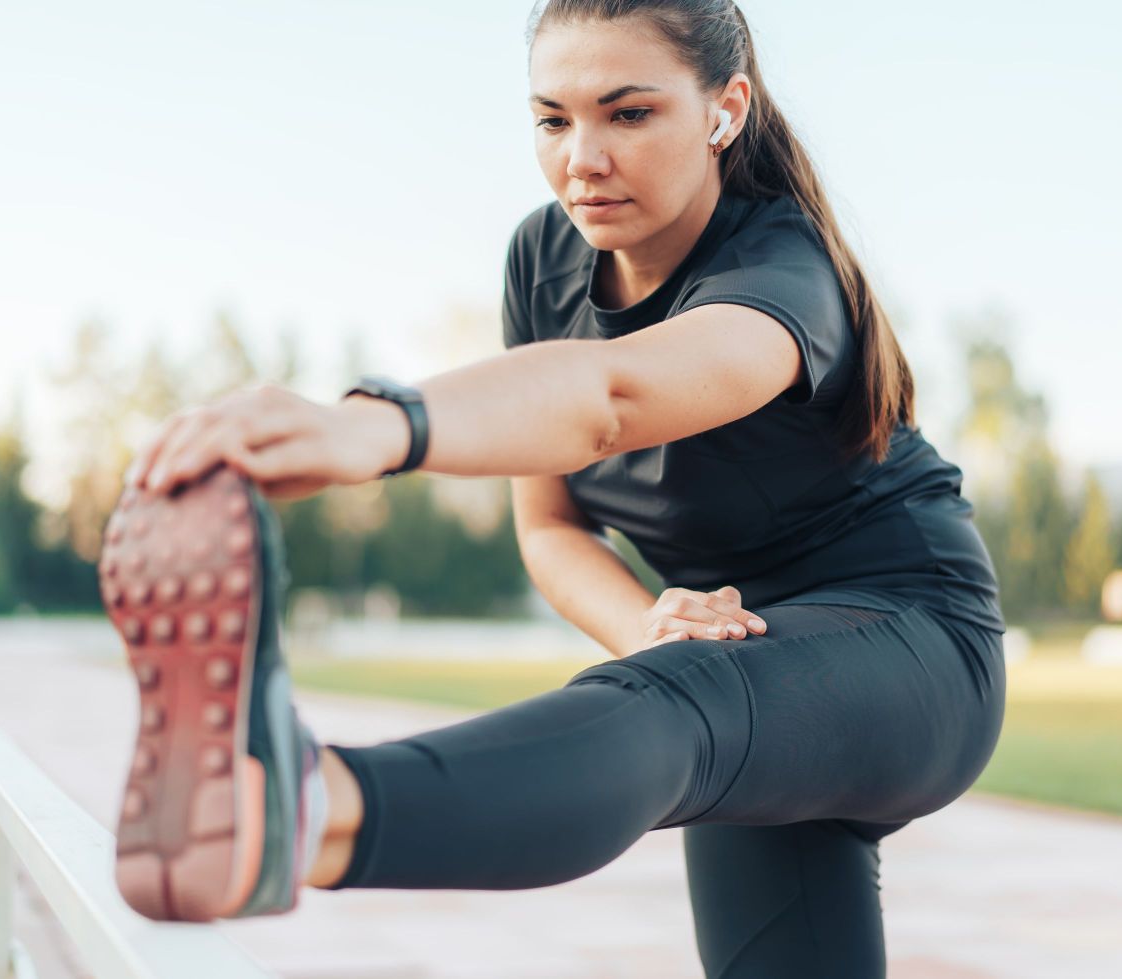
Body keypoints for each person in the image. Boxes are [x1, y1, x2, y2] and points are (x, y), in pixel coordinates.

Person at [107, 2, 1006, 975]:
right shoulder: (542, 262)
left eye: (627, 115)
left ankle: (310, 806)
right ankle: (295, 805)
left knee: (672, 706)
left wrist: (370, 427)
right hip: (742, 658)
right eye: (552, 119)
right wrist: (648, 628)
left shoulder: (781, 267)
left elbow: (610, 400)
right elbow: (550, 524)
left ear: (724, 108)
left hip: (912, 641)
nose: (583, 156)